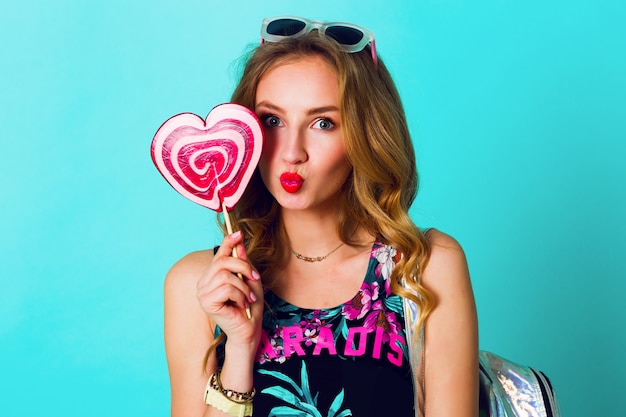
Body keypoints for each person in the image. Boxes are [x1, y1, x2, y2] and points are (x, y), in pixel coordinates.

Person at [164, 16, 478, 417]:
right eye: (272, 121)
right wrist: (240, 348)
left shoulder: (423, 269)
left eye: (323, 123)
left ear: (366, 134)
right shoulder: (200, 285)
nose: (292, 151)